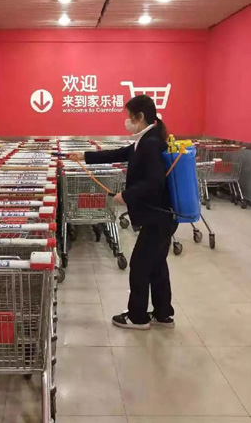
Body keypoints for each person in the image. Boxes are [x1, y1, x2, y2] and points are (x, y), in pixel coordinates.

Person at [68, 95, 178, 330]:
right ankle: (163, 314)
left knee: (140, 265)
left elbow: (154, 182)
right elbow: (117, 153)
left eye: (128, 116)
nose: (126, 121)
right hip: (163, 216)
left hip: (158, 217)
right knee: (157, 264)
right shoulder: (146, 140)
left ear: (140, 116)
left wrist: (127, 195)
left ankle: (138, 317)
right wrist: (84, 156)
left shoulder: (150, 143)